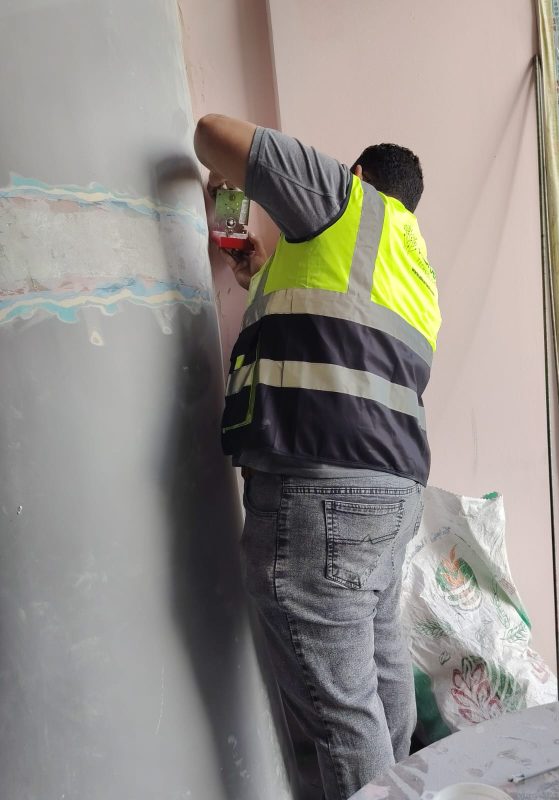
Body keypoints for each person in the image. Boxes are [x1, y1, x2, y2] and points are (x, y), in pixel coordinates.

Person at [194, 115, 442, 800]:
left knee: (340, 717)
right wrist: (257, 271)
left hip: (323, 496)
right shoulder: (415, 269)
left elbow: (211, 131)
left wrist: (223, 176)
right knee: (382, 689)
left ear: (357, 174)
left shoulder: (344, 198)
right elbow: (331, 330)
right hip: (393, 499)